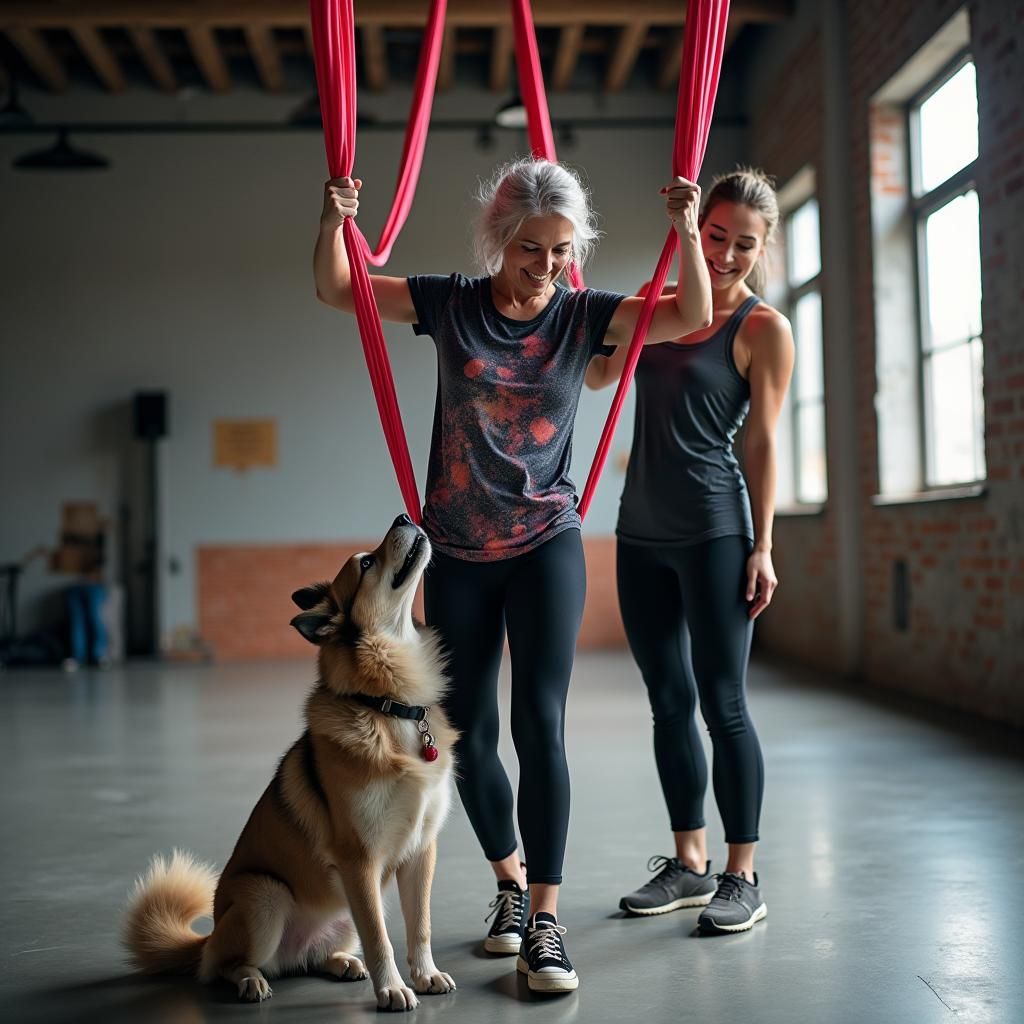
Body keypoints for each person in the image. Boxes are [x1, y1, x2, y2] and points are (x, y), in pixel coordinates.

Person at [314, 157, 712, 990]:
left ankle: (547, 922)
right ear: (500, 238)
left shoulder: (583, 315)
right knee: (465, 738)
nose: (547, 267)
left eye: (561, 250)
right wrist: (334, 220)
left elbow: (691, 315)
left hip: (546, 543)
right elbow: (341, 291)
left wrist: (685, 230)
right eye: (531, 249)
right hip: (455, 552)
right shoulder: (451, 303)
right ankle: (507, 885)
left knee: (539, 723)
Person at [585, 167, 795, 935]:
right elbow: (602, 377)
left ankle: (744, 873)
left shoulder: (764, 329)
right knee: (667, 704)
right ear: (695, 228)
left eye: (745, 243)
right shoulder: (661, 313)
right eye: (716, 237)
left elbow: (766, 443)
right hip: (638, 534)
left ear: (763, 245)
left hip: (715, 534)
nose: (729, 254)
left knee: (723, 704)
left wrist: (762, 546)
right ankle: (690, 863)